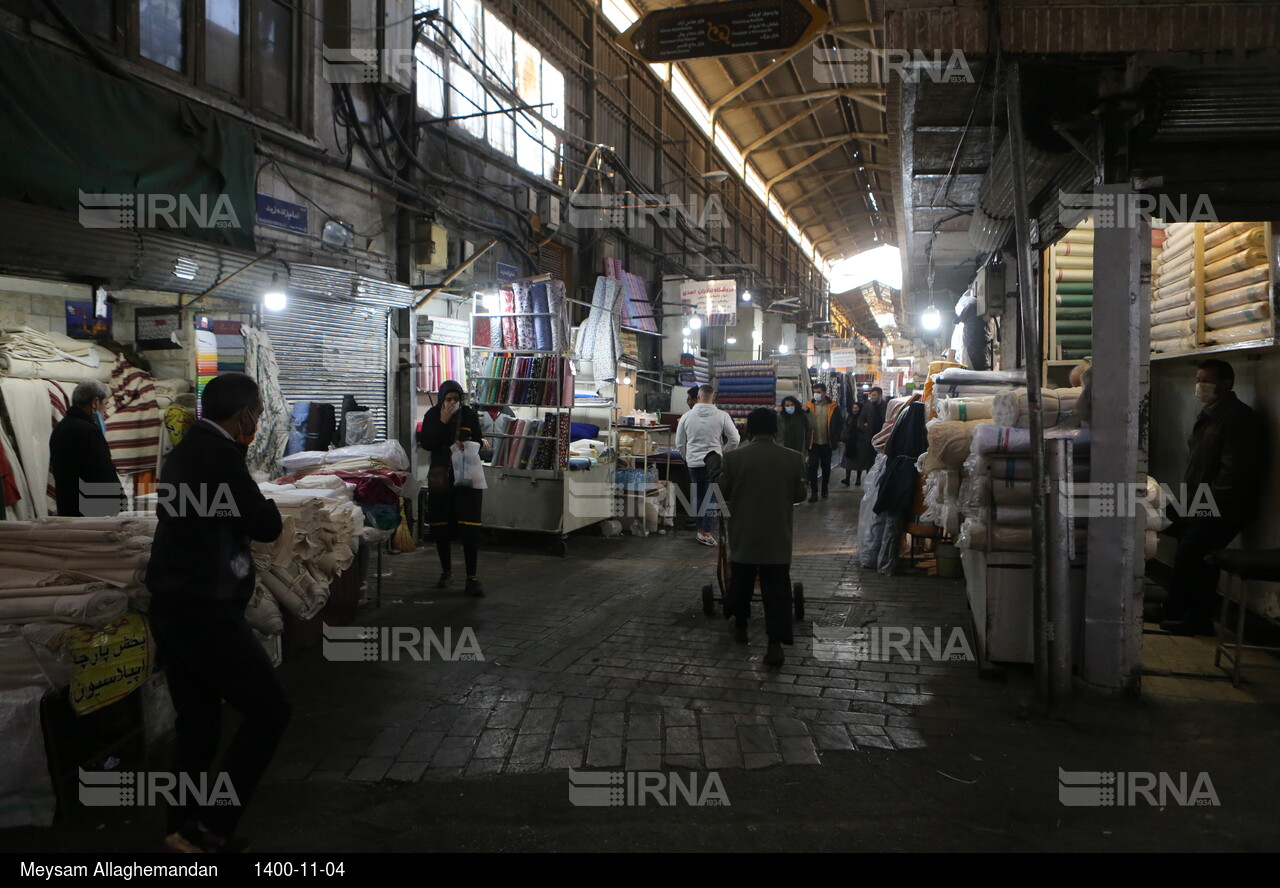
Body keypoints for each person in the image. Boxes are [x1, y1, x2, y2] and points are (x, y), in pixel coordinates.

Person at [146, 373, 287, 853]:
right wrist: (263, 498)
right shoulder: (222, 457)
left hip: (171, 604)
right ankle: (210, 827)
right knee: (270, 711)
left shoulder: (182, 453)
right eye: (259, 411)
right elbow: (265, 525)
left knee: (199, 725)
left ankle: (180, 830)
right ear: (244, 414)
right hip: (205, 609)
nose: (260, 419)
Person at [1157, 359, 1263, 636]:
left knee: (1194, 553)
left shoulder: (1238, 418)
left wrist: (1205, 508)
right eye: (1198, 379)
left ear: (1226, 383)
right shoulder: (1210, 415)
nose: (1200, 385)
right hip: (1199, 499)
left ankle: (1196, 619)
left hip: (1223, 505)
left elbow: (1234, 473)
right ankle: (1175, 609)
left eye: (1207, 380)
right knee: (1166, 524)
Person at [718, 408, 809, 666]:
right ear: (775, 428)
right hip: (777, 536)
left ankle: (741, 627)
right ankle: (774, 646)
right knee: (777, 591)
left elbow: (722, 493)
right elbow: (799, 496)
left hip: (744, 536)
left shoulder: (733, 458)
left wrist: (716, 472)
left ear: (749, 428)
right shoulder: (793, 458)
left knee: (742, 585)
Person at [418, 380, 486, 597]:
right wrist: (442, 421)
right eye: (448, 399)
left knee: (470, 527)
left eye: (456, 399)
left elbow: (476, 439)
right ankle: (446, 571)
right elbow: (428, 443)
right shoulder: (432, 415)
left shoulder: (468, 414)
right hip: (441, 479)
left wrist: (470, 444)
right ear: (441, 398)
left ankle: (471, 577)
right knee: (441, 526)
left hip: (466, 479)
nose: (452, 403)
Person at [675, 384, 740, 547]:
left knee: (698, 496)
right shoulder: (722, 416)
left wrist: (687, 457)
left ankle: (701, 529)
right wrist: (724, 454)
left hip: (693, 463)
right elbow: (735, 439)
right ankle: (704, 532)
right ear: (714, 398)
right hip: (714, 463)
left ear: (698, 397)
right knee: (713, 496)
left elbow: (679, 443)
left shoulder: (686, 417)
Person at [48, 379, 124, 516]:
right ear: (95, 402)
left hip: (68, 508)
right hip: (95, 510)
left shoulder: (60, 428)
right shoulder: (89, 431)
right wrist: (120, 505)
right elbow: (103, 474)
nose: (105, 411)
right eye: (105, 405)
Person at [803, 383, 843, 502]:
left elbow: (840, 423)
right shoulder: (809, 406)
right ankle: (814, 492)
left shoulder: (833, 406)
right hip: (813, 442)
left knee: (826, 467)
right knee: (812, 466)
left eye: (819, 392)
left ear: (825, 393)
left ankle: (824, 489)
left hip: (827, 442)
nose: (817, 394)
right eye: (815, 391)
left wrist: (836, 437)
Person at [852, 387, 887, 485]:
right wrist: (866, 429)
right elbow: (860, 421)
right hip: (870, 440)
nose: (872, 397)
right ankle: (870, 484)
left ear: (880, 395)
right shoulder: (868, 407)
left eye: (874, 395)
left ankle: (880, 483)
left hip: (884, 440)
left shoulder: (887, 406)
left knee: (882, 463)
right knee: (870, 463)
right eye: (871, 395)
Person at [839, 401, 863, 486]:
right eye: (854, 408)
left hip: (859, 442)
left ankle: (858, 478)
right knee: (848, 461)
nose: (855, 409)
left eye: (856, 408)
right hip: (850, 442)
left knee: (858, 461)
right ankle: (847, 478)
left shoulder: (862, 417)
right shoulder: (850, 417)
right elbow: (845, 428)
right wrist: (843, 438)